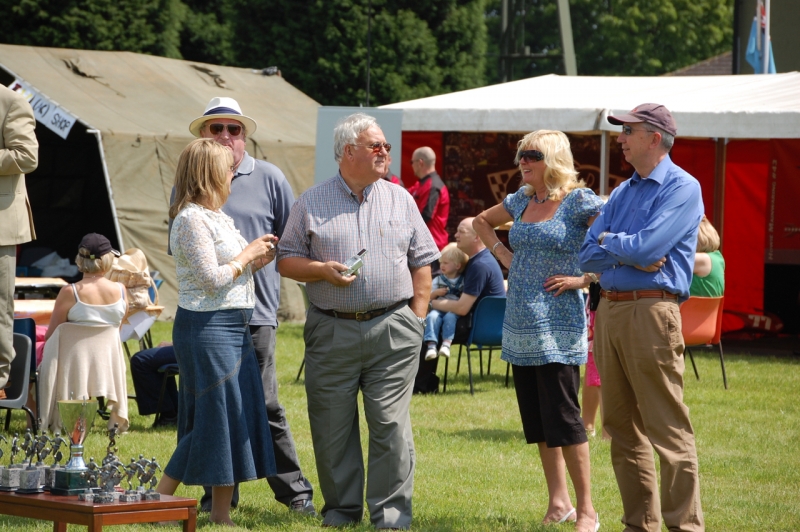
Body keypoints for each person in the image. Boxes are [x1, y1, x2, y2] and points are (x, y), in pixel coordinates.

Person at [276, 113, 439, 529]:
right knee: (332, 426)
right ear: (348, 151)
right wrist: (321, 271)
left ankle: (391, 517)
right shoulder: (312, 201)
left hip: (393, 327)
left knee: (390, 425)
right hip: (332, 327)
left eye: (385, 145)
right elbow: (286, 260)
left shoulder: (400, 199)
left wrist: (416, 319)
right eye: (376, 146)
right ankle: (342, 512)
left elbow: (423, 262)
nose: (385, 152)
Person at [183, 96, 315, 515]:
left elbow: (290, 241)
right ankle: (217, 499)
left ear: (245, 137)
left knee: (265, 403)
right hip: (206, 316)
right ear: (203, 134)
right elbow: (189, 251)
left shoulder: (271, 177)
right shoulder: (191, 182)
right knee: (211, 407)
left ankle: (295, 495)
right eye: (215, 128)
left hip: (255, 313)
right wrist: (242, 258)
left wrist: (261, 256)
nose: (224, 136)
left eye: (233, 129)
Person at [579, 103, 705, 532]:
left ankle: (684, 526)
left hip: (652, 309)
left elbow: (649, 249)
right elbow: (585, 252)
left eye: (627, 130)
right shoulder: (623, 191)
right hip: (610, 308)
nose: (620, 138)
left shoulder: (683, 187)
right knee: (618, 426)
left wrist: (611, 243)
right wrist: (623, 245)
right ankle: (640, 525)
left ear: (655, 137)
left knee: (666, 427)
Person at [474, 130, 602, 532]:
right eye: (520, 155)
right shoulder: (522, 199)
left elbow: (612, 243)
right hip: (519, 324)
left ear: (554, 158)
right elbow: (480, 222)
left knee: (566, 418)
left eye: (531, 155)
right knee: (538, 421)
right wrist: (503, 254)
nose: (522, 162)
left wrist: (583, 280)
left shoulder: (579, 201)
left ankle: (587, 511)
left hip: (559, 326)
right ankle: (558, 502)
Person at [156, 138, 277, 526]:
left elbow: (229, 279)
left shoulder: (218, 216)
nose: (232, 174)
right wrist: (246, 256)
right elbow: (211, 280)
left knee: (230, 419)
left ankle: (220, 516)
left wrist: (257, 260)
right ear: (209, 173)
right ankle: (156, 501)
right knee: (212, 419)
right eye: (227, 168)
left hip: (231, 326)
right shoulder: (191, 219)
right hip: (206, 329)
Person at [37, 233, 129, 431]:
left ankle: (36, 419)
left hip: (71, 365)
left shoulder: (70, 292)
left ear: (80, 260)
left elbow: (51, 335)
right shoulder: (121, 290)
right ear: (107, 260)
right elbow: (117, 330)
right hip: (107, 361)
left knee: (32, 357)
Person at [414, 217, 505, 393]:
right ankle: (425, 384)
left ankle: (419, 387)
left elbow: (462, 308)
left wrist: (430, 303)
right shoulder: (480, 260)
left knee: (426, 327)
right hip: (482, 324)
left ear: (477, 237)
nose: (455, 235)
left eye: (461, 231)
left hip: (478, 327)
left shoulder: (479, 265)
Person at [0, 86, 38, 397]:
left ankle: (0, 381)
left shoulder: (11, 101)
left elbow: (27, 156)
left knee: (0, 308)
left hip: (1, 227)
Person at [423, 243, 468, 360]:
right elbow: (429, 297)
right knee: (432, 317)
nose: (442, 265)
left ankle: (446, 344)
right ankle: (431, 345)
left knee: (450, 318)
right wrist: (436, 293)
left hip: (453, 309)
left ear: (458, 266)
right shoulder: (438, 279)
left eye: (446, 263)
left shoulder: (463, 280)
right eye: (441, 262)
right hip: (438, 309)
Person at [408, 146, 450, 250]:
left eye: (411, 162)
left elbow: (426, 216)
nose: (412, 166)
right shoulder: (422, 184)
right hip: (426, 243)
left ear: (420, 162)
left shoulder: (433, 186)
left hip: (431, 245)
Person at [130, 342, 178, 426]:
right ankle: (175, 410)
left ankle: (169, 415)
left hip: (192, 348)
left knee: (139, 361)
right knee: (148, 360)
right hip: (193, 346)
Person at [690, 215, 724, 297]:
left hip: (692, 309)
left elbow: (669, 265)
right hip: (702, 309)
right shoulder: (717, 257)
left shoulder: (702, 259)